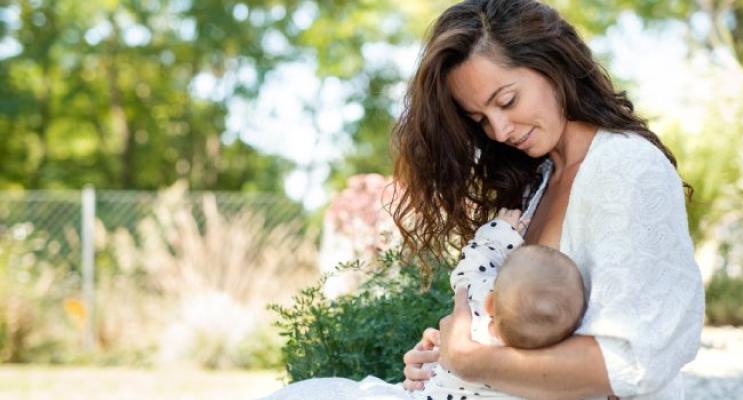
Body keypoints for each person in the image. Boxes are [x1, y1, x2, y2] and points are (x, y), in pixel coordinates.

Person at [264, 0, 704, 398]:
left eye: (507, 100)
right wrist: (442, 363)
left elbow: (630, 362)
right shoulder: (539, 183)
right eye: (480, 118)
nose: (500, 130)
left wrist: (470, 360)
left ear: (554, 65)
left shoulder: (627, 168)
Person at [418, 208, 586, 400]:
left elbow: (473, 265)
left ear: (490, 303)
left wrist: (500, 230)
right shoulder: (547, 372)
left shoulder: (478, 304)